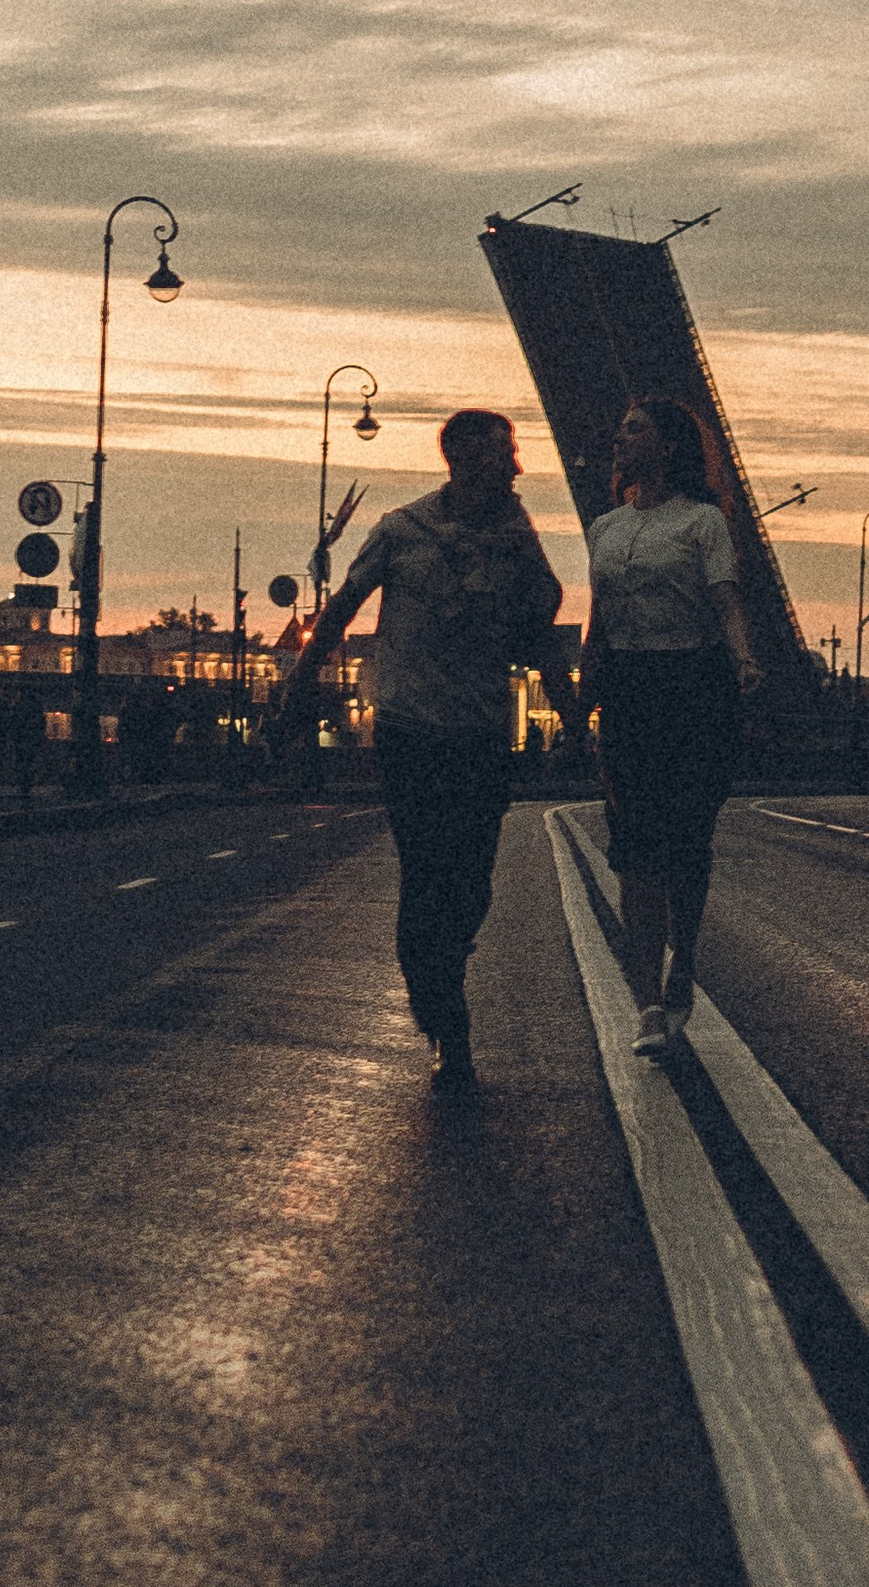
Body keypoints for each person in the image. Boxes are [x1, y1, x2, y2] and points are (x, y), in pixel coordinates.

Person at [279, 407, 568, 1087]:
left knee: (470, 882)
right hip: (411, 731)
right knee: (424, 870)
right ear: (463, 459)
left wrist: (570, 710)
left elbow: (544, 616)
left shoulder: (516, 533)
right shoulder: (399, 530)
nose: (516, 464)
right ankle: (442, 1006)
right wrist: (296, 689)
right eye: (504, 453)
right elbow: (342, 607)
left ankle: (444, 973)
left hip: (482, 732)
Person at [581, 395, 759, 1053]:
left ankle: (683, 959)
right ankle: (648, 1006)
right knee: (633, 846)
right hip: (628, 689)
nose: (620, 438)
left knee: (685, 843)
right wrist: (582, 692)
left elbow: (725, 600)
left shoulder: (702, 523)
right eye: (621, 429)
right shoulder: (603, 529)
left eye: (635, 429)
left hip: (694, 686)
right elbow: (599, 619)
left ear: (669, 447)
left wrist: (741, 658)